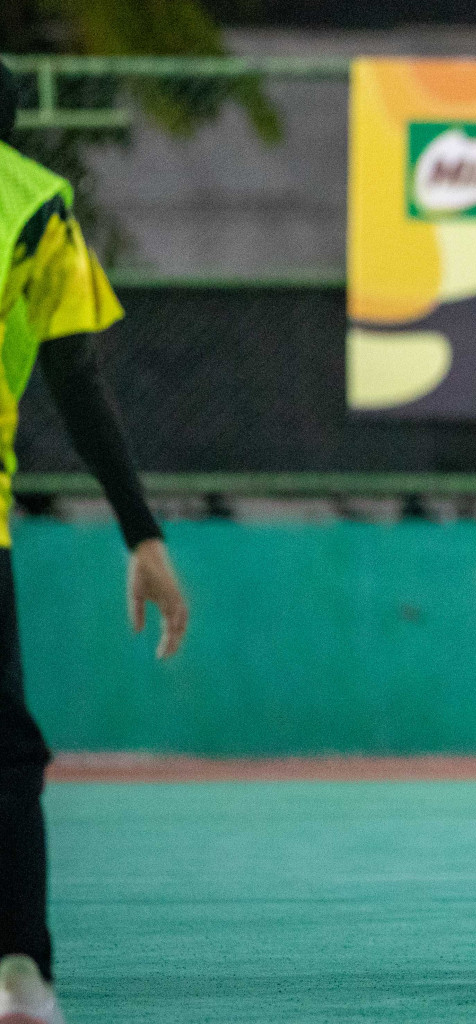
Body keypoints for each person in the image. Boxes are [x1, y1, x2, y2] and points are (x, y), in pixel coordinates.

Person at [0, 61, 190, 1024]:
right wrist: (142, 531)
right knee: (3, 753)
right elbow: (75, 377)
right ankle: (20, 970)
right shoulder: (31, 205)